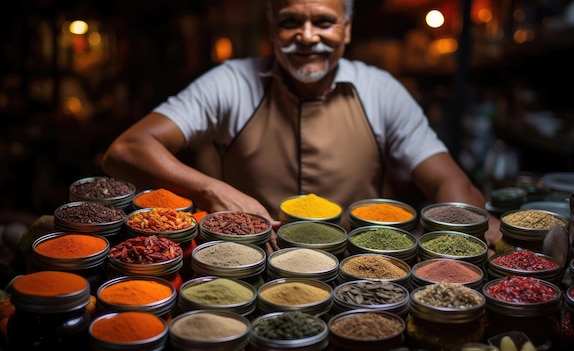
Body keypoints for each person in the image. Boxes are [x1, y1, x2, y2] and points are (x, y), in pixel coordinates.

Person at [102, 0, 501, 253]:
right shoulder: (231, 81)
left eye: (324, 22)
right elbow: (126, 150)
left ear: (346, 27)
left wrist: (453, 246)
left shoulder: (381, 90)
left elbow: (452, 185)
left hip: (358, 270)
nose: (307, 37)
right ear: (271, 26)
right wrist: (213, 190)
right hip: (250, 261)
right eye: (291, 20)